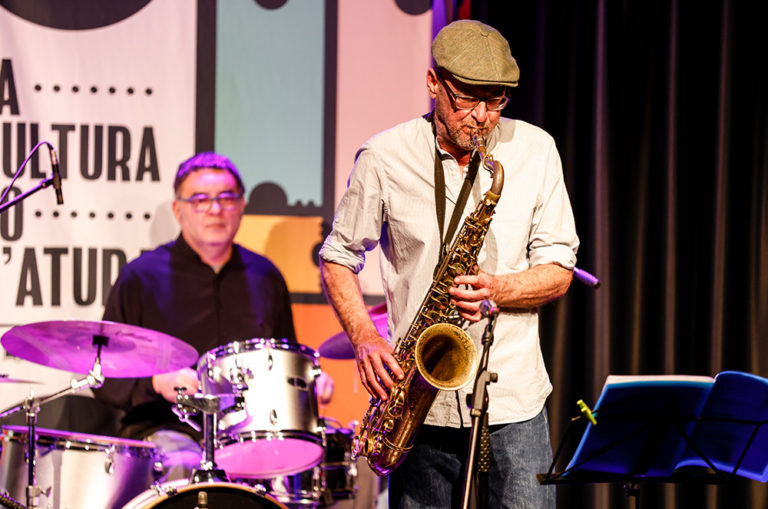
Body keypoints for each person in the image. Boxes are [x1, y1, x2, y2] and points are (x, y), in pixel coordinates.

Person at [318, 20, 578, 508]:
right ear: (433, 83)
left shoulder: (536, 150)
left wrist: (498, 289)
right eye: (466, 99)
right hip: (418, 402)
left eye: (495, 102)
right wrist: (364, 337)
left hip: (513, 399)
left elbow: (559, 269)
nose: (481, 118)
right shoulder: (384, 156)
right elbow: (337, 256)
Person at [94, 151, 333, 479]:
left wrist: (307, 384)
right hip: (165, 428)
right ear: (178, 209)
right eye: (200, 200)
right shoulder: (140, 277)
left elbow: (282, 364)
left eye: (226, 198)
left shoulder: (266, 277)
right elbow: (104, 374)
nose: (215, 209)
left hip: (250, 433)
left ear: (242, 205)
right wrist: (156, 381)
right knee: (185, 462)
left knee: (323, 460)